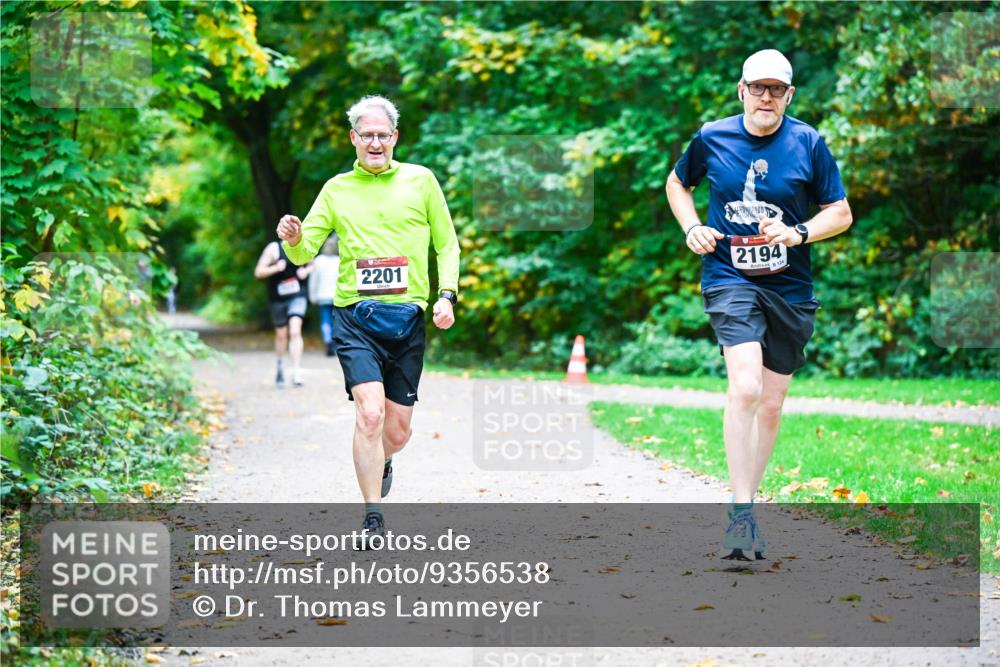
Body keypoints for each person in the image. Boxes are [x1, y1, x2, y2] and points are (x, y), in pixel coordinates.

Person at [665, 49, 853, 560]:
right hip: (729, 276)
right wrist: (693, 228)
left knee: (770, 403)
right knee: (744, 386)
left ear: (789, 95)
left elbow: (840, 212)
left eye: (777, 89)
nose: (766, 97)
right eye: (757, 87)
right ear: (741, 90)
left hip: (790, 286)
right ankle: (741, 512)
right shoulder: (712, 136)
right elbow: (677, 184)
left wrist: (797, 233)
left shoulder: (808, 142)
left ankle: (749, 502)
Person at [276, 94, 460, 542]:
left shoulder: (421, 181)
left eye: (383, 135)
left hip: (407, 319)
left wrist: (446, 296)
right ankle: (372, 515)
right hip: (354, 317)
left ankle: (385, 460)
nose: (375, 142)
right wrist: (294, 238)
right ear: (353, 139)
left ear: (394, 138)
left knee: (396, 431)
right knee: (371, 416)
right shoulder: (337, 189)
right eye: (367, 135)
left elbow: (447, 244)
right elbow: (304, 251)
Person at [254, 241, 313, 388]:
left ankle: (296, 371)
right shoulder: (274, 248)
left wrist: (306, 271)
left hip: (298, 296)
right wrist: (275, 268)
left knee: (295, 331)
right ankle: (280, 365)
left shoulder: (303, 245)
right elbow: (258, 272)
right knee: (281, 335)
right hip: (277, 299)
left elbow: (312, 264)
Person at [308, 235, 341, 357]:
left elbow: (313, 280)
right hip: (337, 296)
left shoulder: (318, 261)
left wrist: (312, 296)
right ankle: (334, 342)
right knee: (335, 320)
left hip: (322, 296)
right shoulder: (339, 261)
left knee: (325, 320)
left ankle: (327, 340)